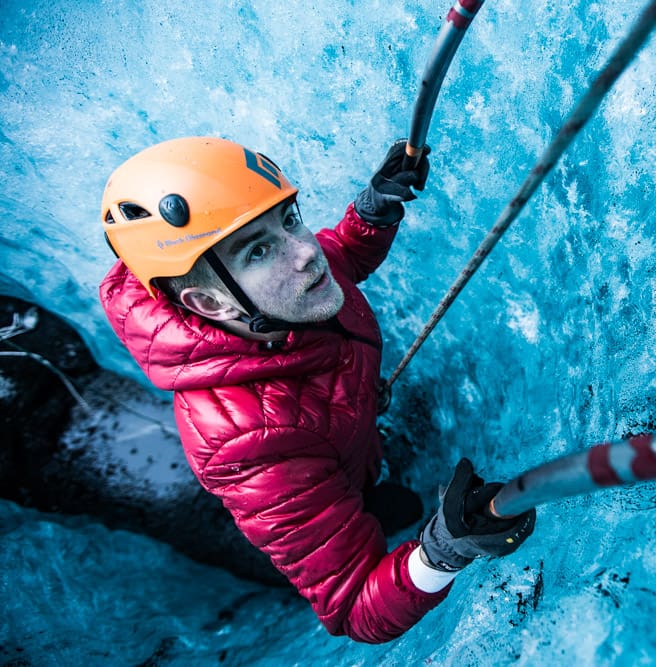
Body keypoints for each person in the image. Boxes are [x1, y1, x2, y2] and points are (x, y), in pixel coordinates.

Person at [98, 136, 535, 643]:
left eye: (288, 219)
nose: (305, 251)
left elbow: (341, 254)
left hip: (343, 449)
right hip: (277, 500)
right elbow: (354, 608)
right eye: (259, 249)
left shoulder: (271, 293)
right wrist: (440, 552)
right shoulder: (250, 448)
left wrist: (374, 210)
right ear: (210, 304)